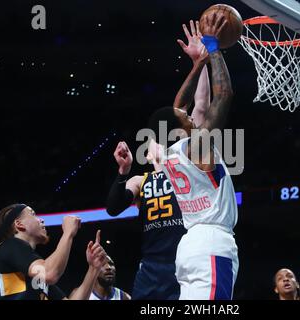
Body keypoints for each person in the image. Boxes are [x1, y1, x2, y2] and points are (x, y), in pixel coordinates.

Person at [106, 20, 211, 300]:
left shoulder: (186, 165)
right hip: (152, 269)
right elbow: (113, 208)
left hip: (187, 261)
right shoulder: (142, 181)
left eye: (162, 138)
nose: (157, 142)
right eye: (153, 140)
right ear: (149, 152)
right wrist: (123, 171)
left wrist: (200, 63)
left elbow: (200, 108)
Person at [146, 12, 238, 300]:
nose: (187, 113)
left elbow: (185, 104)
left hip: (190, 248)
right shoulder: (197, 147)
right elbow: (224, 96)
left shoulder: (171, 151)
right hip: (211, 243)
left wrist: (198, 64)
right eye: (183, 116)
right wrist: (213, 48)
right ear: (177, 129)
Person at [0, 203, 107, 300]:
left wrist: (94, 268)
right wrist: (68, 233)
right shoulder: (10, 245)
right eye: (33, 214)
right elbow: (49, 273)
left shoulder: (33, 274)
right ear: (19, 224)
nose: (42, 220)